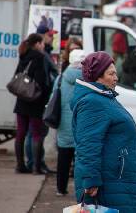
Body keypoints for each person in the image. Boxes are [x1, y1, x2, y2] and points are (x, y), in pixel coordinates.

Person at [71, 52, 136, 212]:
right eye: (111, 74)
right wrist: (90, 181)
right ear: (97, 76)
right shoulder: (92, 102)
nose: (116, 78)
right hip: (109, 184)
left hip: (117, 180)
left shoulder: (104, 97)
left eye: (116, 73)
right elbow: (88, 144)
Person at [12, 34, 50, 174]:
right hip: (35, 102)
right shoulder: (39, 57)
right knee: (36, 134)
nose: (43, 46)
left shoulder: (23, 55)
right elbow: (42, 81)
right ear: (38, 44)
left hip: (21, 100)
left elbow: (17, 74)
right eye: (42, 43)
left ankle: (20, 166)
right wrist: (46, 97)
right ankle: (36, 168)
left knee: (21, 133)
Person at [54, 49, 86, 196]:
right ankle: (82, 191)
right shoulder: (88, 81)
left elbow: (52, 100)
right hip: (82, 126)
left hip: (64, 126)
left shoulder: (60, 78)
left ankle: (61, 188)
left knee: (63, 159)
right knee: (82, 162)